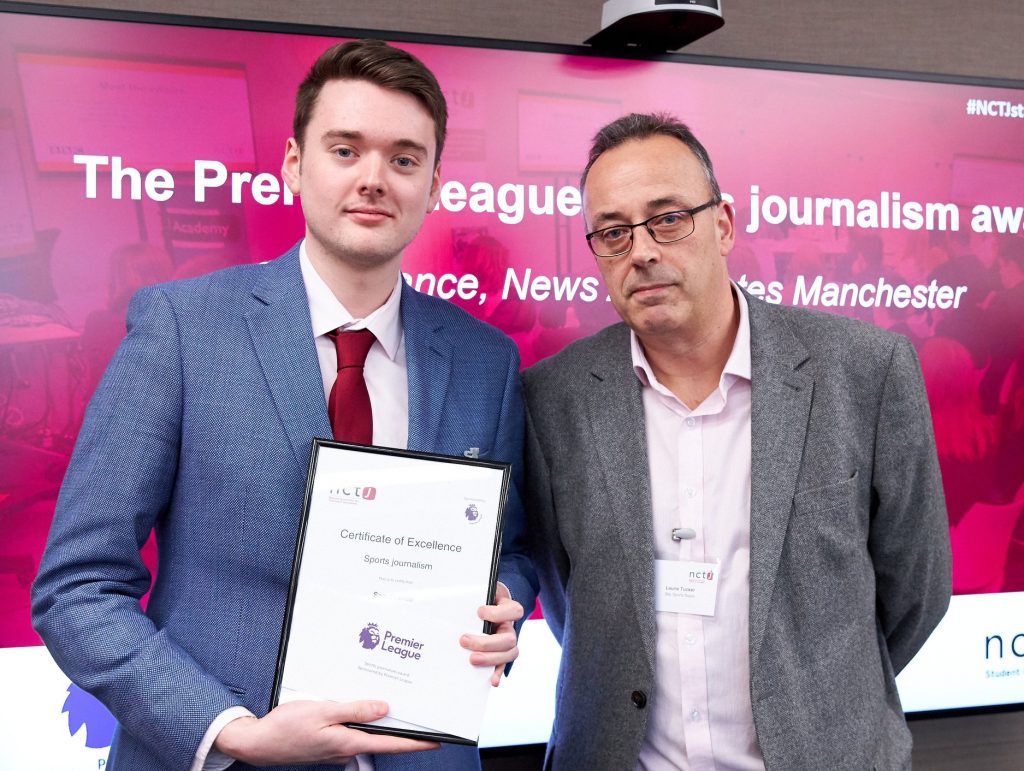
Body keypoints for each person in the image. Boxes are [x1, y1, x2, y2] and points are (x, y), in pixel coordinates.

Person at [32, 40, 536, 771]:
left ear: (433, 187)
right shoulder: (183, 328)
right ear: (295, 164)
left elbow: (511, 552)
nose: (373, 179)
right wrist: (230, 727)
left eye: (403, 159)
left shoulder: (486, 361)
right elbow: (78, 586)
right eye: (345, 150)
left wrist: (502, 613)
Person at [522, 113, 951, 770]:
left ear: (722, 224)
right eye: (613, 232)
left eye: (668, 219)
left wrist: (815, 694)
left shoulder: (865, 371)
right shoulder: (553, 399)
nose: (641, 250)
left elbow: (915, 590)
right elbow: (569, 602)